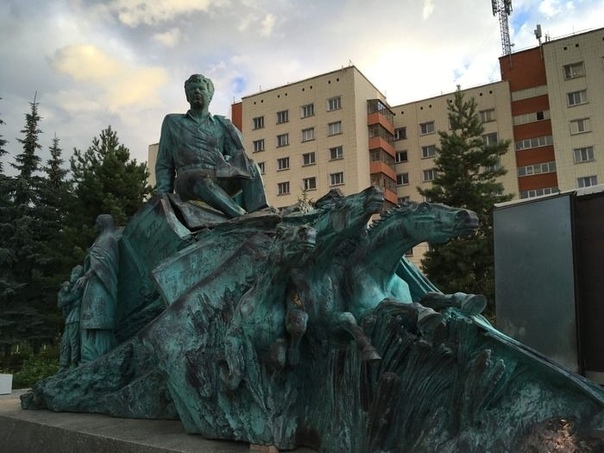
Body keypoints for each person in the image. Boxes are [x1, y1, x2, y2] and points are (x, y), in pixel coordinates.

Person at [155, 74, 268, 218]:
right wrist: (163, 199)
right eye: (192, 89)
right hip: (188, 180)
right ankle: (241, 216)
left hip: (217, 176)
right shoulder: (172, 122)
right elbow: (164, 164)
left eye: (201, 88)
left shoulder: (221, 125)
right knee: (198, 178)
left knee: (250, 166)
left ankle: (260, 213)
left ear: (210, 96)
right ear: (187, 96)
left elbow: (238, 158)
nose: (197, 91)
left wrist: (228, 160)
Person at [76, 214, 119, 363]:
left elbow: (102, 262)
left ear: (104, 223)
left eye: (97, 223)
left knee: (99, 318)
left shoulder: (109, 239)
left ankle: (100, 355)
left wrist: (86, 276)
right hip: (94, 283)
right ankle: (89, 357)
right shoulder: (100, 239)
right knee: (90, 318)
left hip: (102, 283)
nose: (95, 225)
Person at [57, 265, 85, 371]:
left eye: (76, 274)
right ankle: (63, 364)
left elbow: (70, 298)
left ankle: (74, 363)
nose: (73, 276)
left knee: (74, 342)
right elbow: (60, 303)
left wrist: (65, 297)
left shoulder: (79, 286)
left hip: (76, 317)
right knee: (65, 342)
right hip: (69, 318)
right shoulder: (68, 287)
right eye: (72, 274)